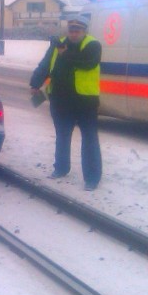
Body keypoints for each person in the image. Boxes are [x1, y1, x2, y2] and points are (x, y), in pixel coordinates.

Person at [30, 14, 102, 191]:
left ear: (84, 31)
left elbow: (87, 64)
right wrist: (35, 83)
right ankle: (61, 168)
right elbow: (46, 65)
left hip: (85, 102)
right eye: (71, 30)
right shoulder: (58, 44)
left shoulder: (92, 45)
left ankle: (92, 178)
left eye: (77, 30)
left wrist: (65, 53)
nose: (74, 34)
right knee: (62, 136)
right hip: (61, 100)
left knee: (89, 139)